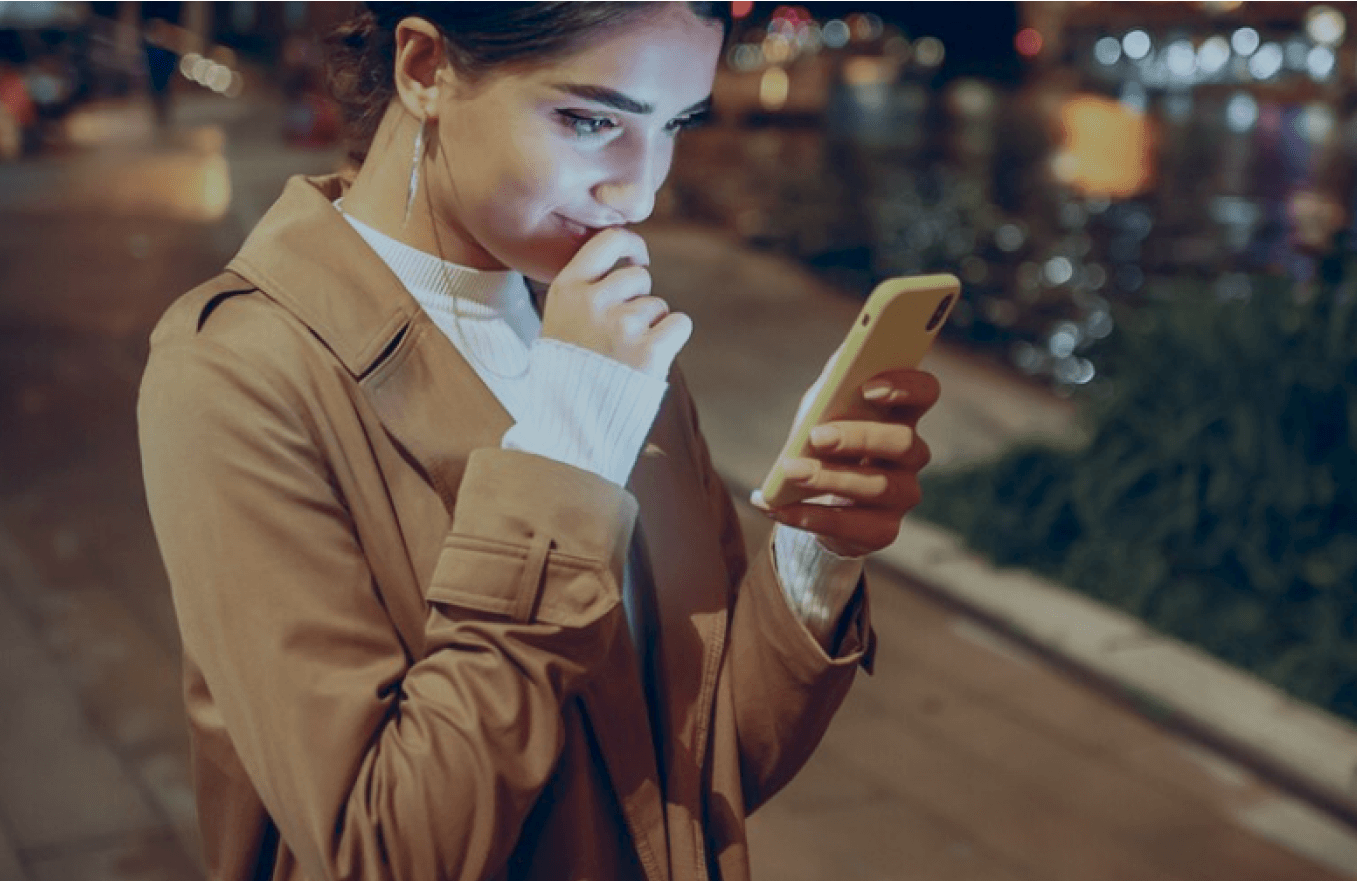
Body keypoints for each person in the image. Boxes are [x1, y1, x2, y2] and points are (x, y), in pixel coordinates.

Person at [136, 4, 941, 880]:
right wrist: (567, 449)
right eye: (591, 120)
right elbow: (386, 847)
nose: (640, 193)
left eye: (671, 125)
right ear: (423, 68)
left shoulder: (612, 334)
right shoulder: (237, 369)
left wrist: (815, 553)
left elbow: (696, 770)